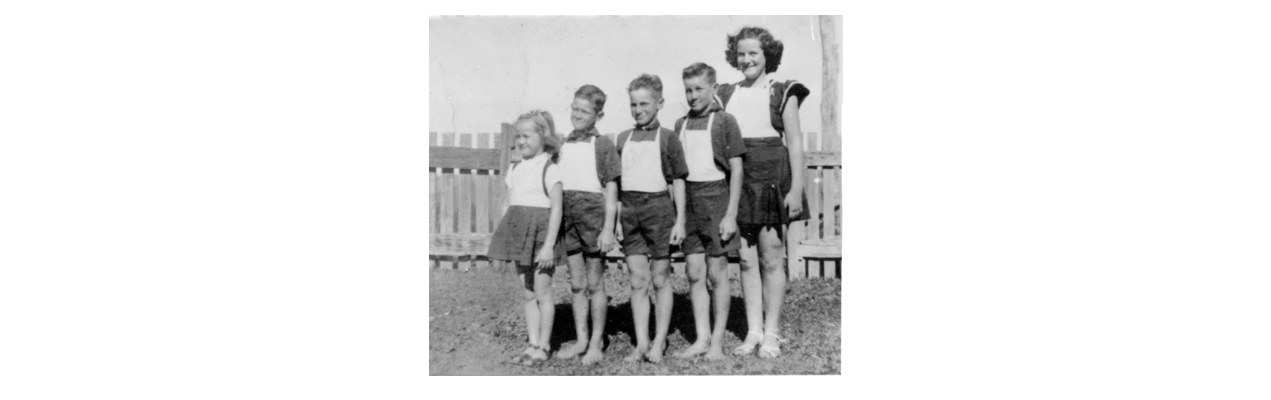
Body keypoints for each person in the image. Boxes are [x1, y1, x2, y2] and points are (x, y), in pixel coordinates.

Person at [715, 26, 811, 359]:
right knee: (744, 258)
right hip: (739, 182)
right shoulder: (725, 94)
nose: (747, 59)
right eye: (741, 53)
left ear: (767, 54)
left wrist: (796, 189)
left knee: (771, 257)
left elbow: (796, 143)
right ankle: (753, 331)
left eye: (753, 52)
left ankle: (772, 332)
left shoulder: (782, 91)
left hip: (772, 179)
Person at [487, 110, 567, 367]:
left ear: (543, 136)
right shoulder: (515, 167)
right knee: (527, 292)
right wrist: (507, 236)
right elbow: (508, 204)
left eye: (526, 136)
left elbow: (557, 209)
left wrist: (548, 247)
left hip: (541, 237)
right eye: (517, 136)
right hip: (520, 234)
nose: (521, 141)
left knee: (542, 292)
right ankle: (532, 344)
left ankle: (544, 345)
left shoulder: (549, 168)